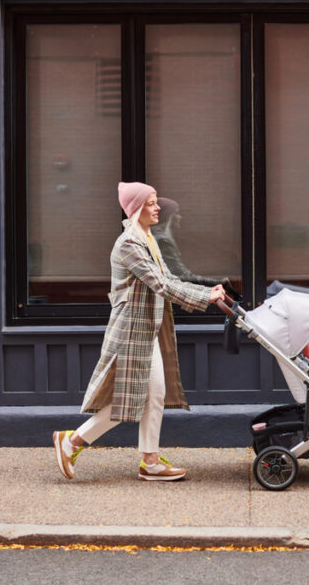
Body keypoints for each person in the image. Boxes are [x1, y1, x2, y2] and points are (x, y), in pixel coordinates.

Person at [52, 182, 225, 482]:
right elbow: (161, 285)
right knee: (128, 400)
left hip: (146, 331)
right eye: (152, 203)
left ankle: (150, 460)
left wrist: (207, 290)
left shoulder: (147, 238)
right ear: (136, 209)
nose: (158, 208)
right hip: (131, 334)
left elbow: (169, 277)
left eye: (157, 202)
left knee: (154, 393)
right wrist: (205, 298)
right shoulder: (129, 244)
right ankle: (72, 440)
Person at [151, 197, 223, 287]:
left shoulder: (157, 236)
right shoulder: (163, 241)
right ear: (168, 216)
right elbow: (181, 275)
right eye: (176, 213)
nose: (180, 217)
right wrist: (215, 283)